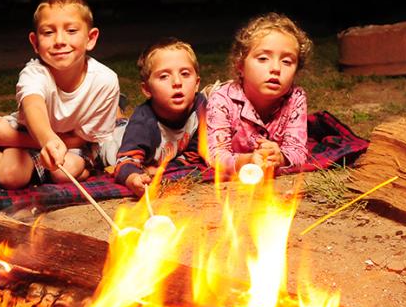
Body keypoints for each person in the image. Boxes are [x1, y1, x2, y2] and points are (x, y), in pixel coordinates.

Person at [0, 0, 119, 189]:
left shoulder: (105, 81)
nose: (59, 41)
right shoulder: (33, 73)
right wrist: (47, 140)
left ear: (90, 38)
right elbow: (34, 106)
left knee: (61, 173)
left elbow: (84, 141)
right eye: (48, 32)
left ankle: (12, 147)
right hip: (29, 132)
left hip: (73, 144)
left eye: (72, 30)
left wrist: (10, 137)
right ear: (35, 42)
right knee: (10, 177)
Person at [206, 12, 313, 175]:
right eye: (263, 58)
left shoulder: (295, 98)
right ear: (240, 66)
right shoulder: (222, 100)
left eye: (287, 61)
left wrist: (281, 158)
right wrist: (247, 161)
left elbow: (298, 152)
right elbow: (215, 155)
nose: (276, 68)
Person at [114, 38, 207, 197]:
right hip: (114, 141)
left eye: (185, 74)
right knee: (112, 130)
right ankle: (115, 107)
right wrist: (133, 178)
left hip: (158, 154)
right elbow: (124, 162)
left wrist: (168, 167)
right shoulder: (143, 121)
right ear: (147, 89)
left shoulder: (200, 107)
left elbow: (194, 152)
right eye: (164, 76)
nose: (177, 82)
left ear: (197, 83)